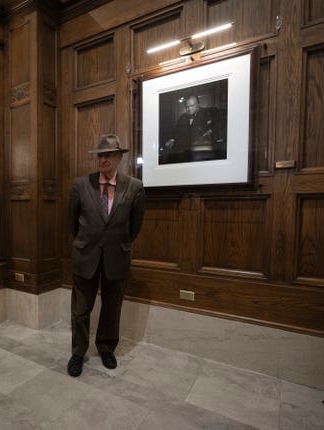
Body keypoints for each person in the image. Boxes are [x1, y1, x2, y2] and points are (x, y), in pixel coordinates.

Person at [67, 134, 145, 377]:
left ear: (120, 157)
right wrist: (87, 243)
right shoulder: (81, 185)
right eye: (100, 155)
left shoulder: (135, 187)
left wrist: (115, 244)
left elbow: (135, 227)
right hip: (85, 256)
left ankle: (106, 348)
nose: (104, 159)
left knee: (112, 307)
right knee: (80, 309)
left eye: (109, 154)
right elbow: (72, 224)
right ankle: (78, 353)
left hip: (116, 257)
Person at [160, 94, 224, 164]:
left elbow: (219, 121)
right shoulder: (183, 117)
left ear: (198, 104)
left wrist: (211, 130)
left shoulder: (209, 112)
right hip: (184, 151)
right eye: (187, 106)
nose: (189, 109)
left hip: (201, 151)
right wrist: (172, 139)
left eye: (192, 106)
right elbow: (176, 130)